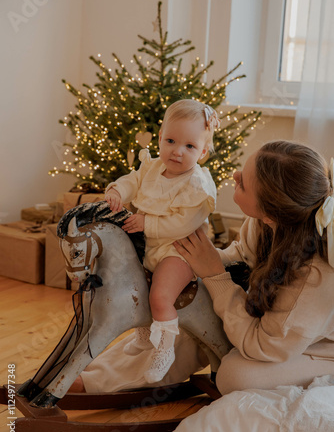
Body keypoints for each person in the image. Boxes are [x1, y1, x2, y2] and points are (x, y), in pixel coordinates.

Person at [70, 140, 334, 394]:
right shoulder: (265, 223)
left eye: (243, 183)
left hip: (312, 347)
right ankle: (95, 376)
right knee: (192, 313)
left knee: (233, 374)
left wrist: (214, 275)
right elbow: (241, 255)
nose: (235, 174)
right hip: (276, 330)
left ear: (270, 214)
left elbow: (265, 345)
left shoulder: (312, 279)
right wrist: (187, 264)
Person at [104, 99, 219, 384]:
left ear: (203, 151)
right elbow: (133, 180)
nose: (177, 152)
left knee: (160, 295)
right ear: (160, 138)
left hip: (179, 250)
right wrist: (118, 190)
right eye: (170, 140)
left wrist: (147, 223)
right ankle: (144, 336)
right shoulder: (152, 168)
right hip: (150, 246)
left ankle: (164, 349)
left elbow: (183, 223)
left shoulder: (197, 185)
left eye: (190, 147)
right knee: (133, 281)